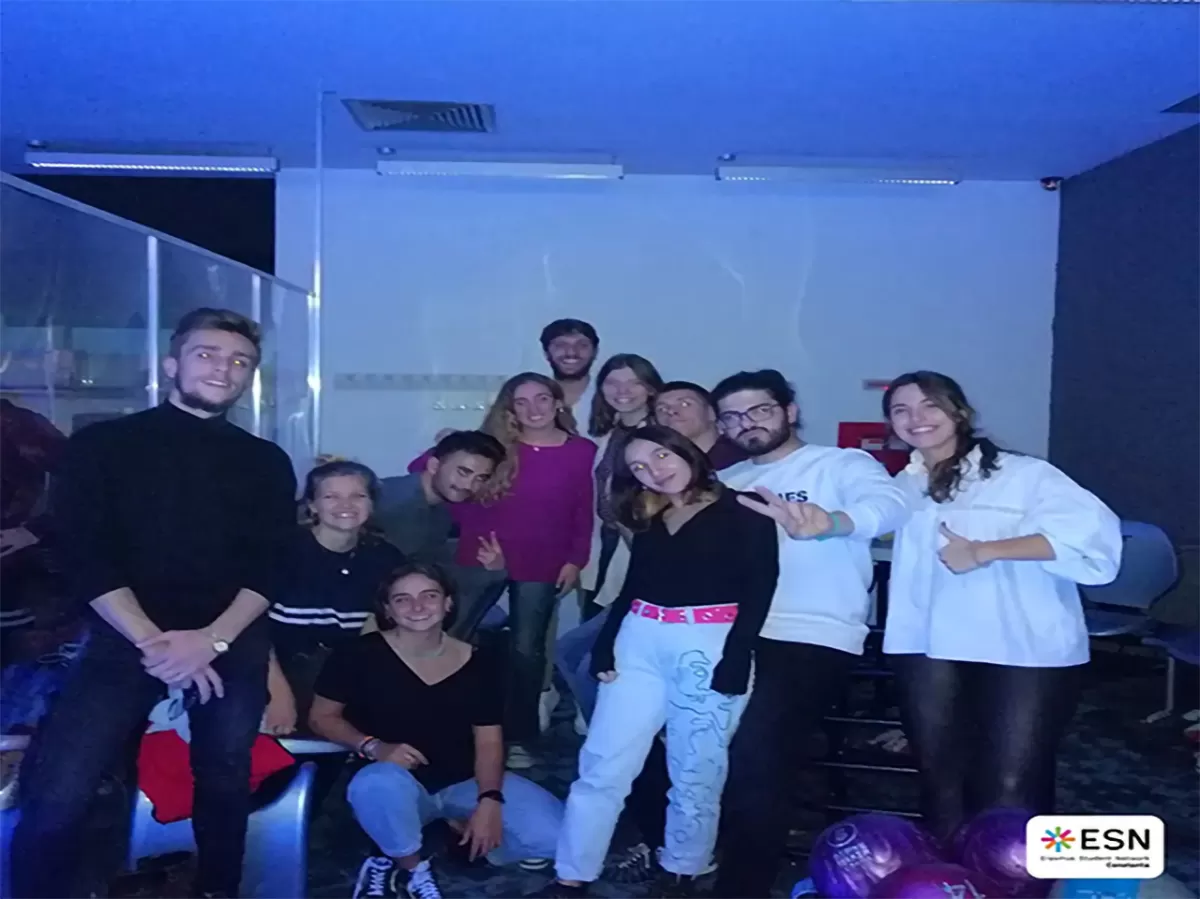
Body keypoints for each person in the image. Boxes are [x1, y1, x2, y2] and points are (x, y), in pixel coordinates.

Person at [10, 308, 297, 899]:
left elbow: (271, 567)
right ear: (172, 363)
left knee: (223, 777)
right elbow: (86, 554)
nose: (224, 368)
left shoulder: (266, 461)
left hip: (229, 636)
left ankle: (217, 889)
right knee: (60, 788)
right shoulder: (104, 446)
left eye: (239, 360)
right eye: (207, 354)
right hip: (126, 636)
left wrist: (210, 640)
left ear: (250, 377)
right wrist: (155, 642)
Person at [536, 425, 780, 899]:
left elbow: (760, 588)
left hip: (708, 640)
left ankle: (682, 870)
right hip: (639, 638)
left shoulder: (745, 510)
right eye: (641, 467)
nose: (655, 471)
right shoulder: (651, 513)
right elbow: (634, 585)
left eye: (663, 456)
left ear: (686, 451)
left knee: (695, 767)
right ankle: (571, 875)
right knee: (603, 761)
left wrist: (736, 656)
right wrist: (607, 642)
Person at [881, 371, 1121, 841]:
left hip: (1021, 648)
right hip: (927, 645)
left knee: (1011, 788)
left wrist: (986, 551)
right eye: (901, 410)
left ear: (959, 412)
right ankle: (950, 883)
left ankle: (1016, 884)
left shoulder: (1023, 475)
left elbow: (1094, 538)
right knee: (940, 780)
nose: (916, 418)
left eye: (929, 405)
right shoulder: (902, 487)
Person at [711, 369, 909, 899]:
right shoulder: (728, 483)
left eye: (759, 411)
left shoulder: (840, 464)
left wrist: (831, 523)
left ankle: (740, 887)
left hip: (812, 633)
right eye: (732, 416)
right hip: (734, 634)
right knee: (711, 753)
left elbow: (892, 508)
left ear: (789, 411)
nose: (745, 424)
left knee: (756, 753)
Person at [310, 562, 563, 899]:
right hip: (397, 781)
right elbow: (321, 717)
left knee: (560, 838)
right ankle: (411, 867)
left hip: (464, 780)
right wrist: (372, 746)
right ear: (387, 609)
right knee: (374, 785)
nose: (417, 607)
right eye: (402, 599)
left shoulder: (481, 661)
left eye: (429, 596)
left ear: (447, 603)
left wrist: (490, 800)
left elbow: (488, 740)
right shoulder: (358, 654)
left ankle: (450, 832)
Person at [409, 373, 595, 769]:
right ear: (509, 408)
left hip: (543, 563)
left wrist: (575, 560)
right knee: (458, 640)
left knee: (527, 653)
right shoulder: (495, 444)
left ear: (558, 402)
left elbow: (583, 510)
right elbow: (426, 469)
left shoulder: (581, 451)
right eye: (522, 402)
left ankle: (519, 736)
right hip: (480, 559)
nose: (534, 409)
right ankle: (442, 726)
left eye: (542, 399)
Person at [263, 459, 407, 738]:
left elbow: (374, 630)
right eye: (332, 496)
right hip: (273, 670)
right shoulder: (281, 551)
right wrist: (279, 695)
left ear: (372, 504)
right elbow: (251, 630)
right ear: (313, 505)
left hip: (340, 674)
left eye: (357, 496)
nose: (346, 505)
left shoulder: (384, 558)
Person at [376, 430, 508, 641]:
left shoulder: (441, 504)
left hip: (408, 570)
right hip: (372, 587)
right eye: (463, 472)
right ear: (434, 466)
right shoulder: (399, 503)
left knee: (491, 570)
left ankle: (450, 648)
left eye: (480, 478)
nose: (469, 486)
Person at [579, 354, 664, 621]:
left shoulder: (661, 436)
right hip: (606, 543)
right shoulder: (609, 434)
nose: (622, 391)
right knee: (592, 625)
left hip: (642, 546)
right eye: (613, 383)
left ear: (650, 388)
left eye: (633, 383)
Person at [653, 381, 747, 472]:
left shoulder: (745, 460)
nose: (670, 411)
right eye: (662, 409)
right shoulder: (664, 470)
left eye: (685, 404)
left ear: (712, 412)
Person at [540, 318, 599, 416]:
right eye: (560, 345)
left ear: (595, 352)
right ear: (546, 352)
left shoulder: (613, 397)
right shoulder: (530, 400)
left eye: (582, 345)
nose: (571, 352)